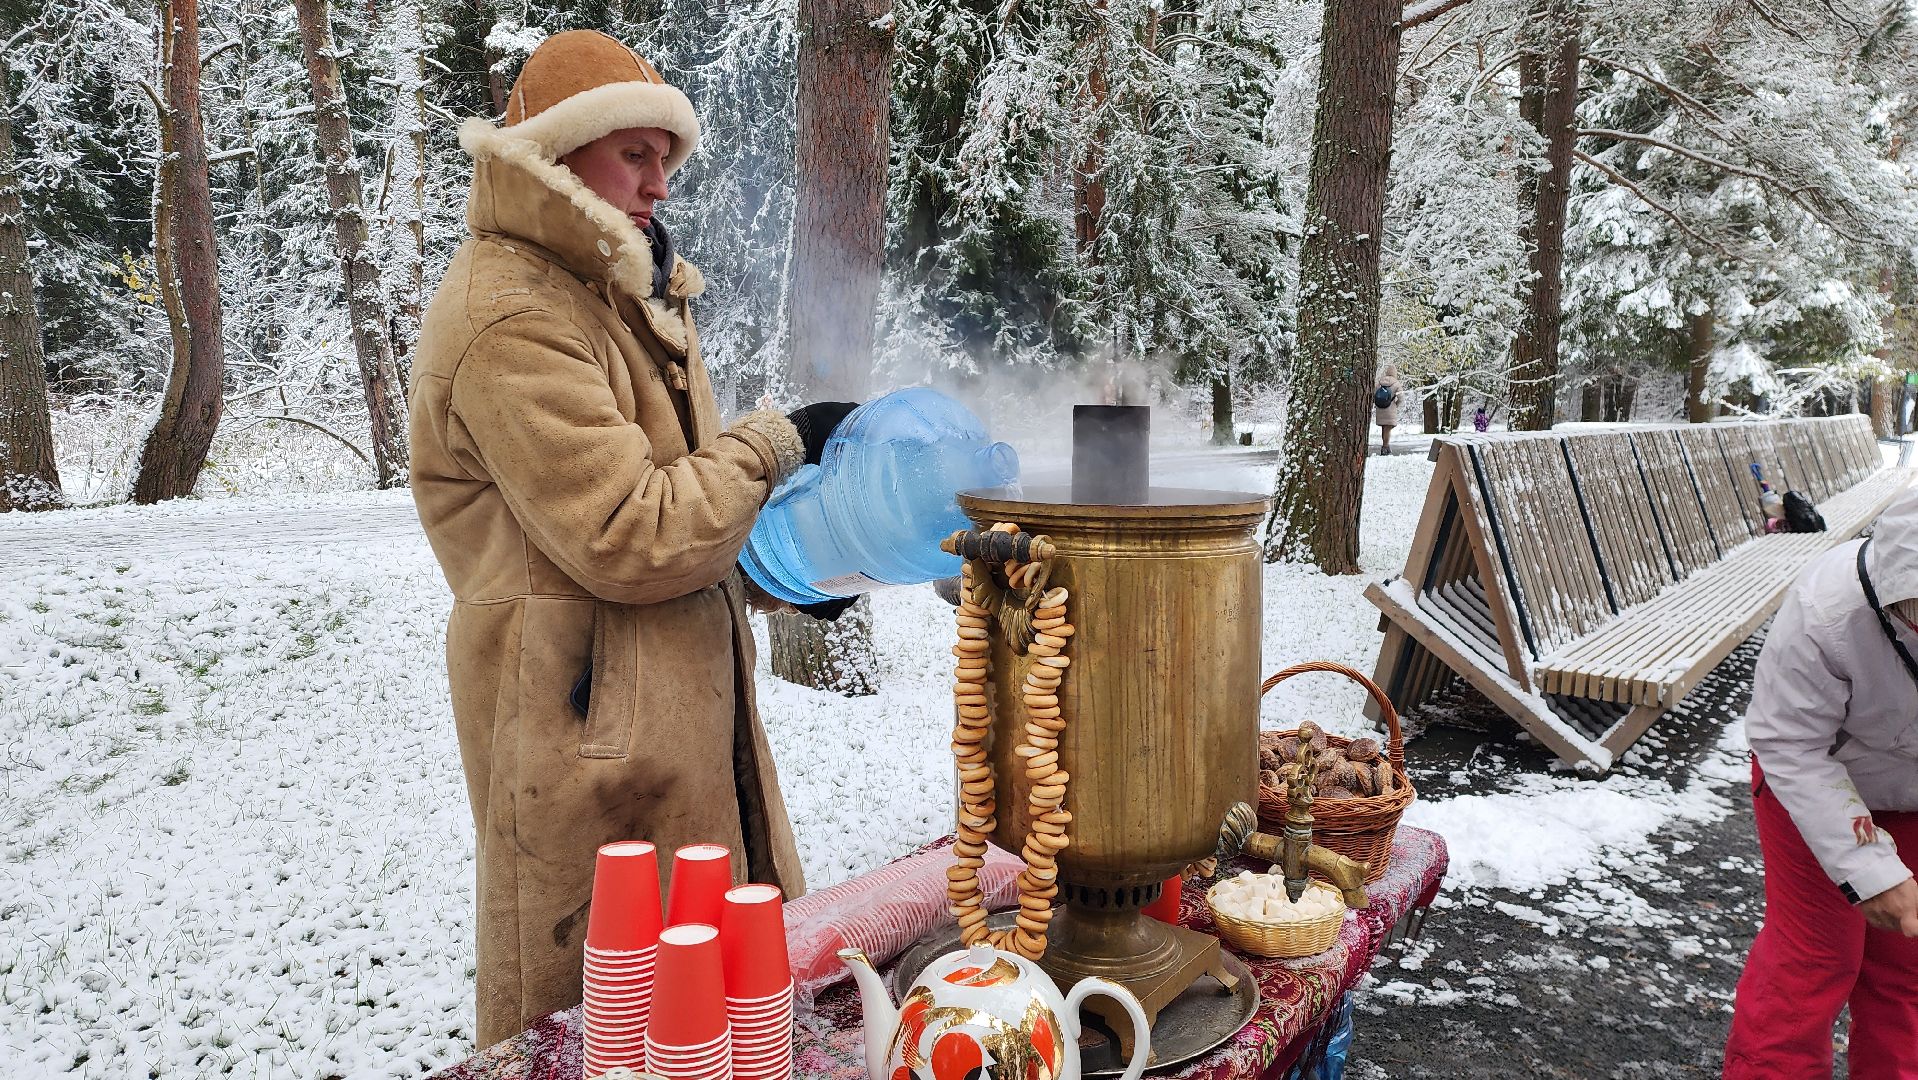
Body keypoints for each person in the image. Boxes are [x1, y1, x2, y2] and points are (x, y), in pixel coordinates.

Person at [407, 30, 853, 1045]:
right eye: (633, 156)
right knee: (596, 1027)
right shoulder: (507, 311)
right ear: (557, 157)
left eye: (667, 157)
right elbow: (628, 532)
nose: (659, 182)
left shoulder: (625, 290)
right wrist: (775, 444)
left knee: (709, 1017)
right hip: (580, 736)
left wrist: (788, 571)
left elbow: (682, 513)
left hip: (675, 714)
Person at [1723, 486, 1918, 1078]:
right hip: (1814, 779)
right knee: (1815, 958)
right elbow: (1790, 744)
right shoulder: (1829, 609)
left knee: (1906, 966)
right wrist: (1866, 867)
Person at [1372, 365, 1401, 456]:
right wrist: (1396, 405)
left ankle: (1386, 446)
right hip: (1390, 409)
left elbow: (1374, 394)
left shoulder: (1380, 382)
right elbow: (1401, 398)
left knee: (1384, 428)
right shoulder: (1396, 384)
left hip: (1380, 408)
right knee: (1387, 428)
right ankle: (1385, 447)